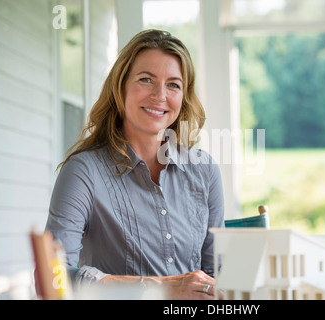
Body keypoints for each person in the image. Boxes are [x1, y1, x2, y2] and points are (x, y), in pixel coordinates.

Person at [45, 29, 225, 299]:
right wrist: (161, 288)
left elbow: (216, 275)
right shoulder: (84, 171)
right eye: (146, 80)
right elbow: (54, 276)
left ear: (183, 97)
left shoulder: (205, 171)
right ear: (121, 87)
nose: (160, 95)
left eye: (173, 85)